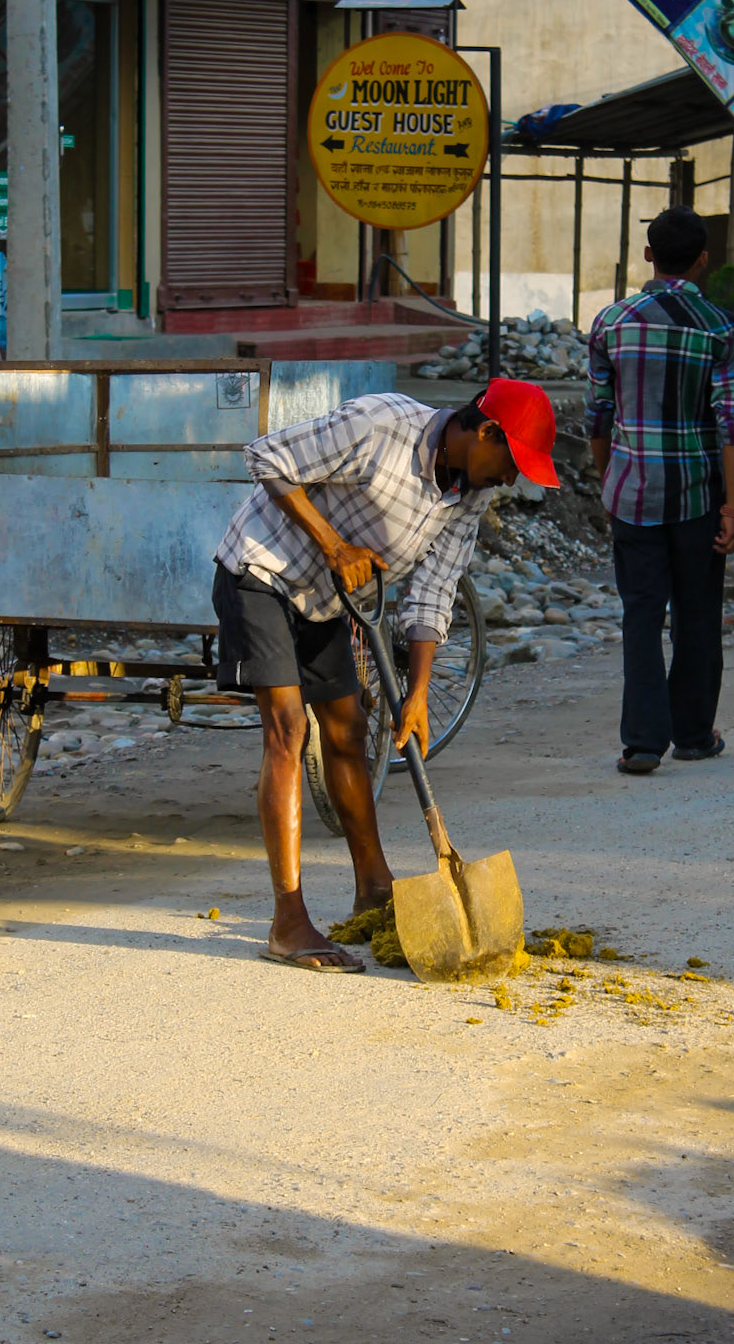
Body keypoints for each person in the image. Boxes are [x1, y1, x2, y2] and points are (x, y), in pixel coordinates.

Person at [213, 381, 559, 972]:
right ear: (484, 433)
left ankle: (373, 886)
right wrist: (335, 545)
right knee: (289, 731)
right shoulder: (381, 424)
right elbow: (266, 455)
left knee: (349, 728)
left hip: (327, 602)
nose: (510, 481)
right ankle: (288, 920)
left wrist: (419, 693)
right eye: (511, 464)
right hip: (262, 573)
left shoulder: (467, 496)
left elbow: (431, 594)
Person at [586, 206, 734, 775]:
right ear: (703, 259)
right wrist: (731, 505)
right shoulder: (721, 327)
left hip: (632, 493)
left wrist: (607, 479)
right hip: (697, 495)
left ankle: (641, 743)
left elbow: (598, 416)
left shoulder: (611, 323)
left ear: (649, 256)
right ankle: (693, 735)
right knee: (698, 612)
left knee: (640, 615)